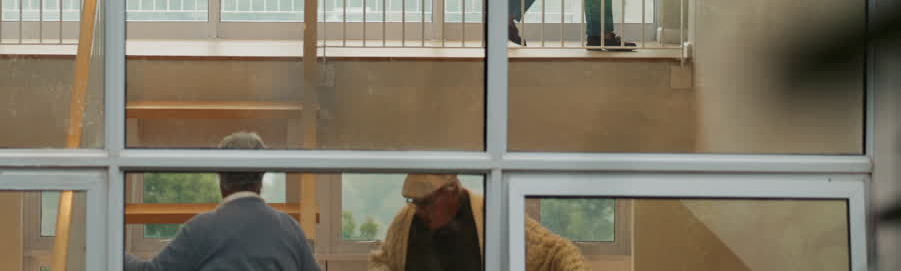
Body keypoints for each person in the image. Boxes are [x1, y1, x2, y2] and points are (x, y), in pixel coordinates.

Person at [125, 132, 320, 271]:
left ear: (221, 177)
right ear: (261, 177)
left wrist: (102, 248)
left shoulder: (202, 229)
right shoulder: (290, 229)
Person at [367, 174, 588, 271]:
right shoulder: (405, 220)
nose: (419, 210)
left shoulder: (489, 214)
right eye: (413, 202)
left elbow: (557, 251)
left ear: (452, 191)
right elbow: (382, 260)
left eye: (426, 202)